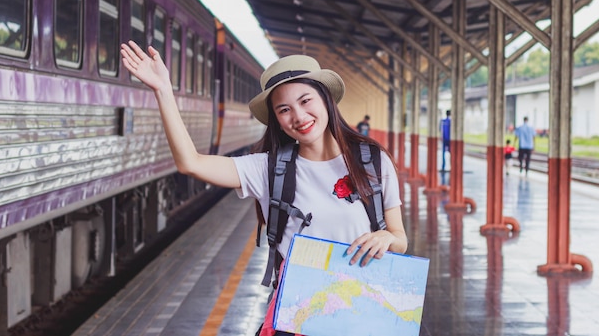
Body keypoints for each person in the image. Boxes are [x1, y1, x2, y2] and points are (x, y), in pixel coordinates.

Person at [120, 41, 408, 335]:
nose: (298, 116)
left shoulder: (371, 159)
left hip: (364, 314)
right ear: (278, 122)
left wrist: (387, 237)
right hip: (301, 317)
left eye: (306, 100)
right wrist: (163, 91)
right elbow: (190, 163)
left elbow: (400, 239)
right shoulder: (268, 169)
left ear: (326, 100)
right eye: (284, 110)